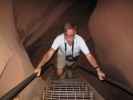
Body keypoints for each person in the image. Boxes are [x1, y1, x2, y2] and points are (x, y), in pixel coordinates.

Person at [34, 22, 106, 80]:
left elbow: (89, 55)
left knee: (70, 65)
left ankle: (69, 69)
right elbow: (49, 53)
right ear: (64, 33)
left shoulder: (80, 40)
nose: (69, 39)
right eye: (66, 35)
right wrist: (40, 66)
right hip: (61, 55)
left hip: (74, 56)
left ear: (75, 33)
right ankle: (62, 77)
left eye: (71, 36)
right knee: (59, 72)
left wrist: (98, 69)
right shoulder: (59, 38)